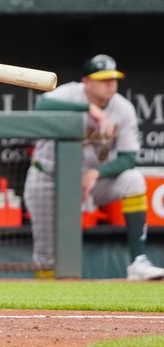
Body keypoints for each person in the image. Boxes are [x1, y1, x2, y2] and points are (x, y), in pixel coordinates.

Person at [24, 54, 164, 281]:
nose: (110, 84)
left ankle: (138, 262)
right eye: (103, 79)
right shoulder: (71, 93)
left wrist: (97, 172)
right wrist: (87, 109)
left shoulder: (123, 108)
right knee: (46, 257)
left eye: (113, 78)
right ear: (86, 82)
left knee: (134, 180)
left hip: (91, 180)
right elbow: (42, 105)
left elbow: (129, 157)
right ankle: (46, 303)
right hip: (49, 177)